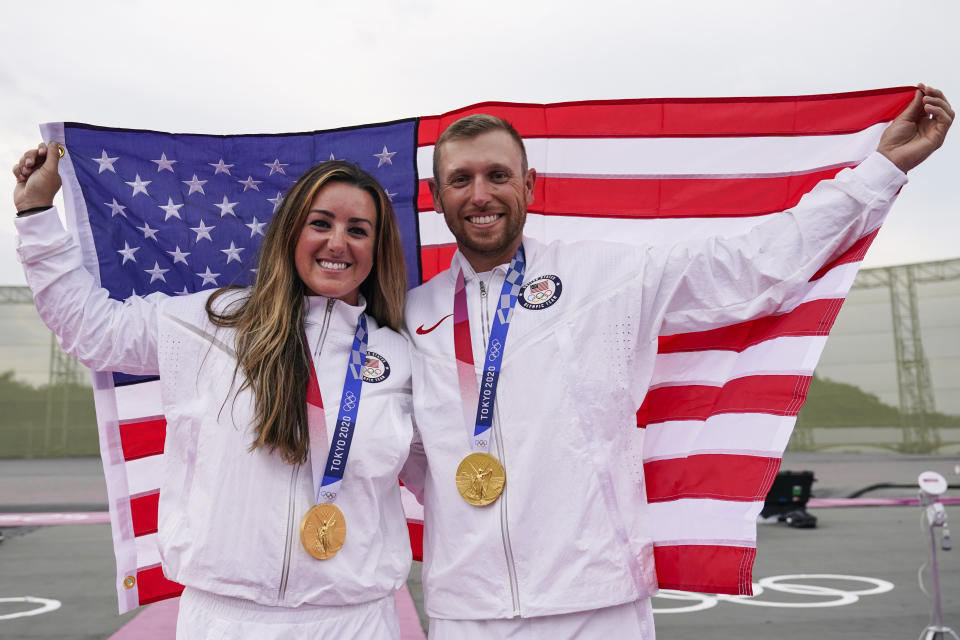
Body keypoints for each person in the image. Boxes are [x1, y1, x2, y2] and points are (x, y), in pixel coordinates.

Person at [399, 85, 953, 638]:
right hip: (466, 610)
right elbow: (402, 455)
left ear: (529, 184)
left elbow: (752, 268)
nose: (480, 194)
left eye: (498, 175)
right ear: (435, 193)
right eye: (460, 179)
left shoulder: (601, 277)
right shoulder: (410, 316)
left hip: (595, 603)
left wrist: (880, 170)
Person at [13, 146, 415, 638]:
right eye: (321, 223)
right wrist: (36, 215)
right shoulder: (212, 322)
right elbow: (92, 331)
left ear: (377, 249)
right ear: (291, 231)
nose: (338, 242)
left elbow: (437, 469)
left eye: (358, 230)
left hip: (356, 620)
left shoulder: (399, 357)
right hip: (224, 619)